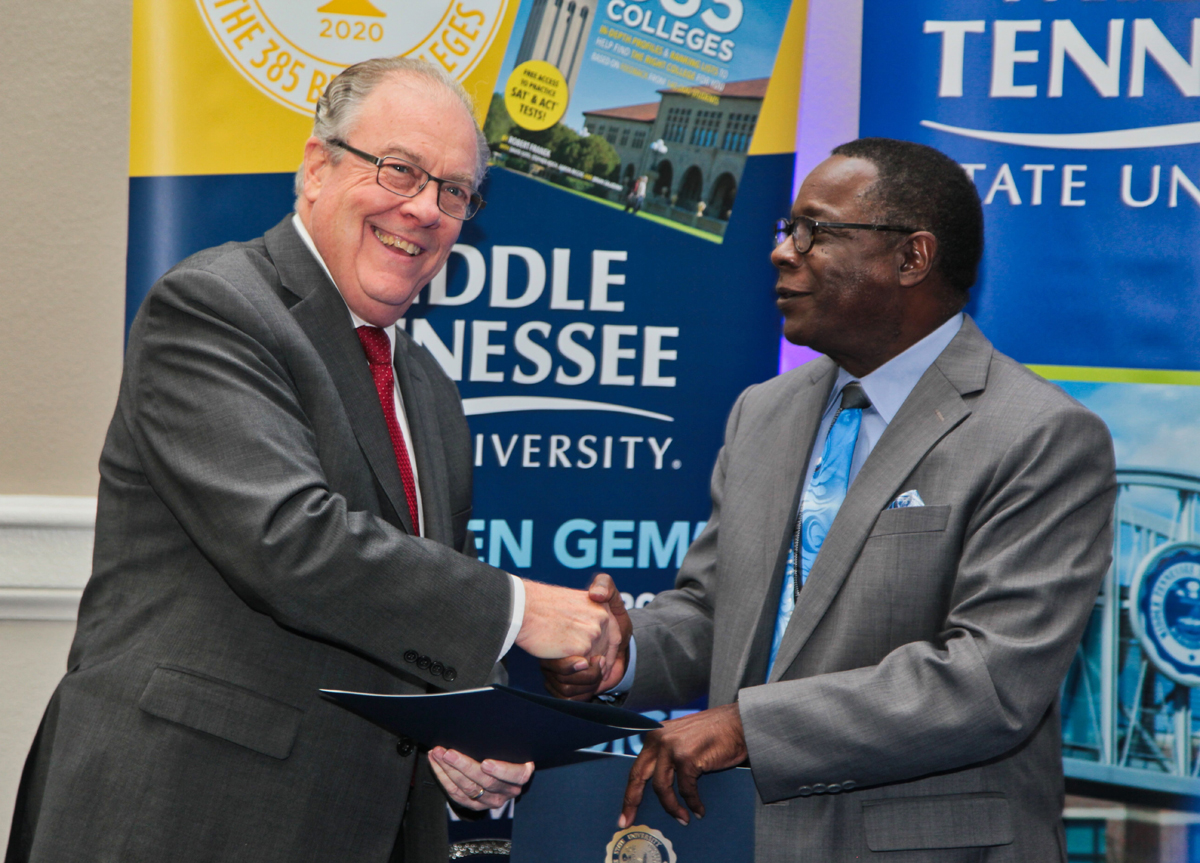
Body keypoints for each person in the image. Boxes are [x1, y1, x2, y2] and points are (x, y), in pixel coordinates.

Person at [7, 58, 626, 863]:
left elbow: (414, 601)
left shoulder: (429, 388)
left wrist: (469, 734)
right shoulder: (215, 307)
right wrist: (525, 611)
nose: (425, 209)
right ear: (315, 168)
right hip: (182, 812)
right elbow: (288, 540)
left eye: (454, 192)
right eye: (401, 169)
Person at [544, 138, 1117, 862]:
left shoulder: (1041, 435)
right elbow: (715, 615)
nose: (784, 253)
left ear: (911, 257)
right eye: (788, 230)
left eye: (814, 231)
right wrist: (620, 655)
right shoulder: (764, 410)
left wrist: (749, 726)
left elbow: (988, 683)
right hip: (736, 837)